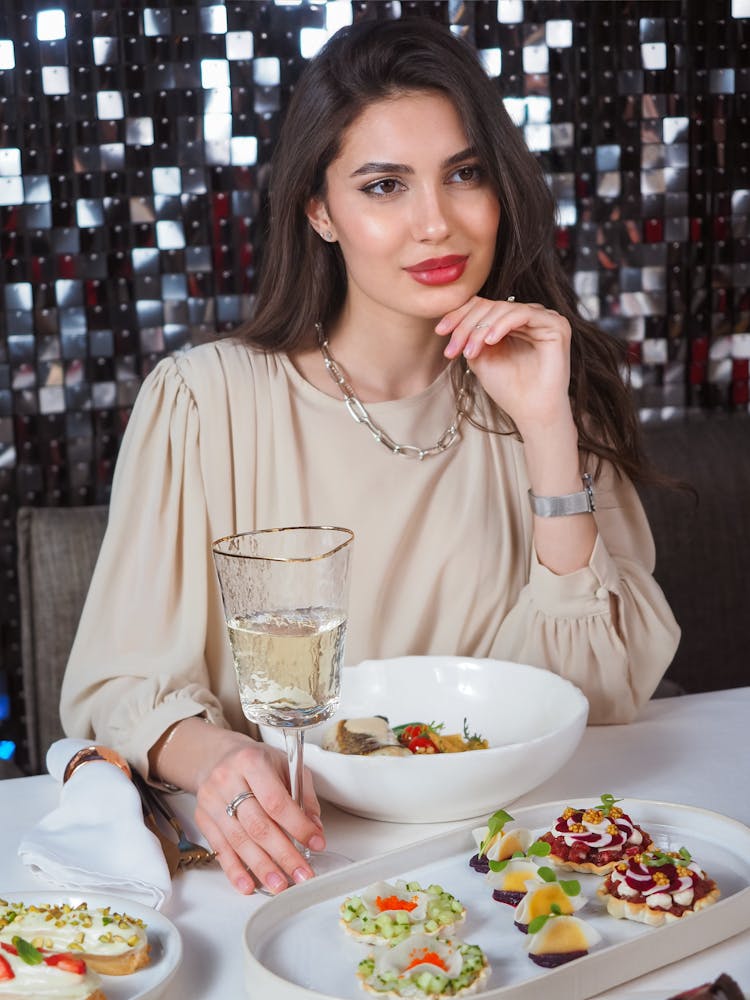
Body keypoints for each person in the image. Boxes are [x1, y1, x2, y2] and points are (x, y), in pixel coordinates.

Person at [60, 18, 680, 896]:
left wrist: (547, 432)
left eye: (463, 174)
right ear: (320, 209)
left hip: (508, 866)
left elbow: (598, 696)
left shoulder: (545, 388)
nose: (437, 222)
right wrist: (222, 761)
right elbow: (116, 687)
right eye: (385, 185)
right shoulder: (207, 402)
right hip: (286, 871)